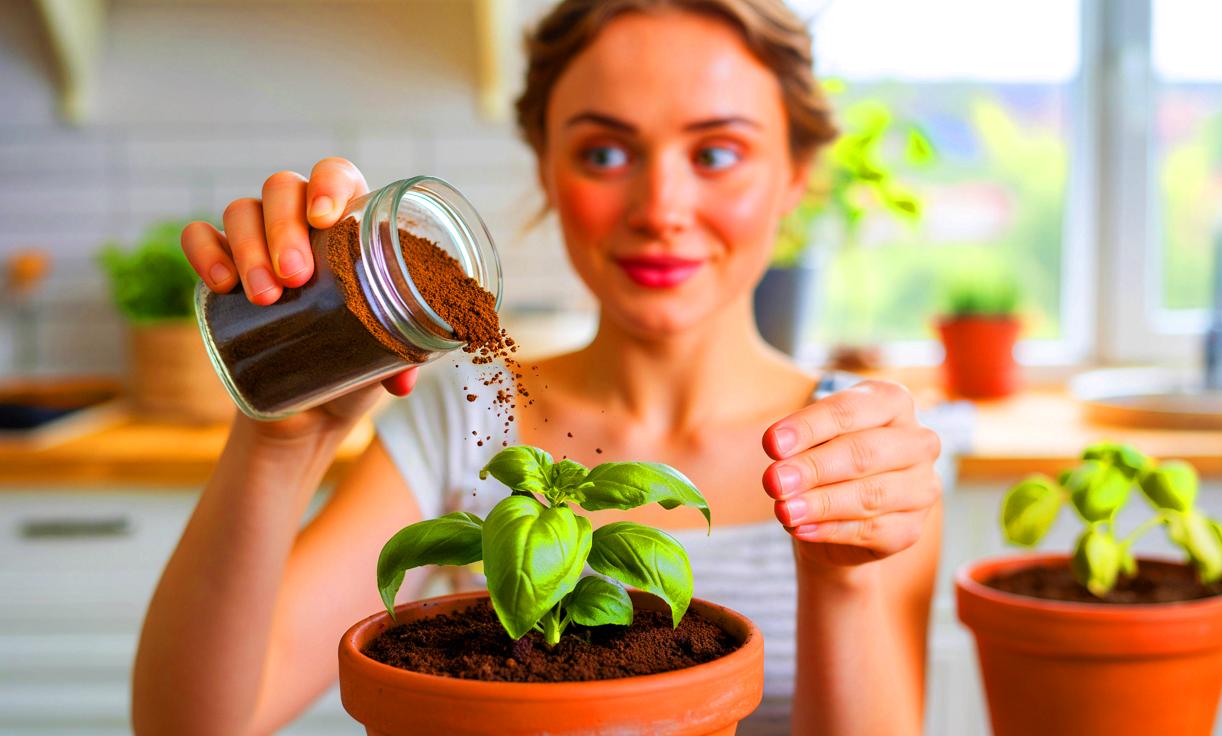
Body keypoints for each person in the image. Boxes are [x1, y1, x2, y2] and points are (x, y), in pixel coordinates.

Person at [132, 1, 943, 734]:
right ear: (548, 170)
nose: (661, 208)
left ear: (795, 176)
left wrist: (842, 581)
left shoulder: (859, 456)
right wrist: (280, 440)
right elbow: (195, 725)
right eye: (603, 152)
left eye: (718, 152)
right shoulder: (466, 416)